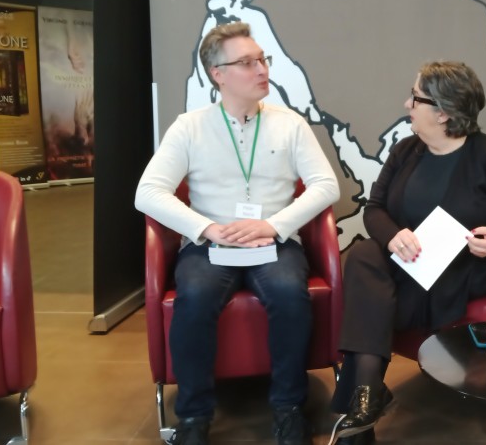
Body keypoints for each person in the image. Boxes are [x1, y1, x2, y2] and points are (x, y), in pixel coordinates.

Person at [135, 22, 339, 445]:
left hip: (274, 242)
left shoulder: (290, 124)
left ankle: (288, 409)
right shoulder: (189, 127)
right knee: (194, 297)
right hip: (210, 244)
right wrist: (208, 228)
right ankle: (193, 417)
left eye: (263, 59)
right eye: (247, 63)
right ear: (218, 74)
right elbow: (147, 192)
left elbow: (326, 185)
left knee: (289, 295)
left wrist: (273, 225)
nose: (262, 69)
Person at [328, 62, 486, 444]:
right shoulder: (406, 150)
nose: (406, 104)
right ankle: (367, 399)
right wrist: (393, 236)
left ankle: (362, 408)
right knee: (364, 255)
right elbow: (374, 209)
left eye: (415, 98)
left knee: (371, 297)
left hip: (461, 270)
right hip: (409, 262)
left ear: (443, 112)